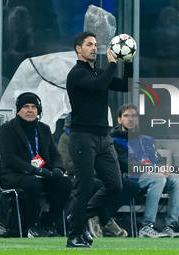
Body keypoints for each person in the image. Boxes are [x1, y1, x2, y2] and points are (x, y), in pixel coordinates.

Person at [66, 32, 133, 248]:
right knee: (84, 187)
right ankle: (74, 235)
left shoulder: (98, 71)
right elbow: (98, 85)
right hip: (82, 137)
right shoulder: (76, 74)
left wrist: (127, 61)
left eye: (95, 44)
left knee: (115, 185)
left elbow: (125, 86)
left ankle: (78, 217)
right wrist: (113, 64)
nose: (94, 48)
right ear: (78, 48)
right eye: (89, 45)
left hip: (103, 137)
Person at [0, 92, 73, 238]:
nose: (30, 110)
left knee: (65, 183)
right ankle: (33, 226)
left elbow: (54, 153)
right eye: (26, 106)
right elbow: (9, 158)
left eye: (33, 107)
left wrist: (58, 168)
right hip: (14, 174)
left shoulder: (43, 129)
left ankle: (50, 223)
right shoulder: (7, 129)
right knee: (33, 183)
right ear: (18, 110)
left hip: (41, 173)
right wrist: (34, 169)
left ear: (39, 111)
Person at [57, 113, 140, 238]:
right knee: (96, 184)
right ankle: (106, 220)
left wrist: (103, 165)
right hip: (79, 175)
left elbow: (113, 158)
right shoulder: (67, 137)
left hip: (101, 173)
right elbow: (66, 164)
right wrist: (89, 165)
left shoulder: (103, 136)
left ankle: (95, 215)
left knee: (129, 186)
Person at [111, 103, 179, 238]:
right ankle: (147, 226)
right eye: (126, 116)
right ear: (119, 120)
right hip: (132, 179)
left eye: (133, 116)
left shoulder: (146, 139)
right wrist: (155, 168)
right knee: (159, 178)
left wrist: (162, 166)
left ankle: (170, 225)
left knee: (178, 179)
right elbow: (126, 164)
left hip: (154, 176)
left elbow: (158, 158)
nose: (130, 119)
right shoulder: (115, 140)